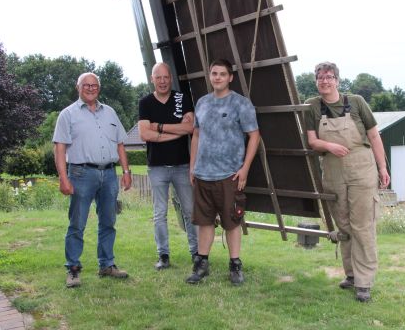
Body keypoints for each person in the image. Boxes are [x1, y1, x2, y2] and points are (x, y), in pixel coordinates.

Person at [305, 62, 390, 303]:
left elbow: (374, 135)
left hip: (361, 167)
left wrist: (382, 167)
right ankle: (351, 274)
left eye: (329, 77)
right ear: (316, 81)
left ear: (337, 81)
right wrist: (329, 145)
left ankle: (364, 283)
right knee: (344, 225)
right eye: (320, 77)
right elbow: (312, 141)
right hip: (332, 169)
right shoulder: (312, 106)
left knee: (362, 225)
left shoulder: (356, 102)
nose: (325, 81)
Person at [53, 72, 132, 288]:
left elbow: (120, 144)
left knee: (109, 221)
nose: (90, 88)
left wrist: (126, 172)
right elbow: (59, 148)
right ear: (78, 87)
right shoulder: (67, 115)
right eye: (86, 85)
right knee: (77, 222)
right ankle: (73, 269)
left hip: (108, 174)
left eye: (94, 85)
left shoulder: (110, 113)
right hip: (81, 174)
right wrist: (63, 178)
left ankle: (107, 265)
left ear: (99, 88)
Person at [186, 58, 260, 286]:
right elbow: (196, 135)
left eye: (222, 74)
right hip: (203, 173)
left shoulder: (241, 103)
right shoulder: (202, 103)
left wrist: (244, 169)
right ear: (210, 76)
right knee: (204, 222)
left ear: (230, 77)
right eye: (213, 73)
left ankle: (235, 265)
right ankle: (201, 265)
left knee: (232, 222)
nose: (217, 77)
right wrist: (192, 166)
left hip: (229, 174)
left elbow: (254, 136)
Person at [138, 62, 198, 269]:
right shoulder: (145, 103)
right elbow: (144, 134)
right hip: (157, 167)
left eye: (166, 77)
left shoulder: (182, 98)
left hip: (182, 166)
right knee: (159, 213)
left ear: (170, 78)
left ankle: (197, 253)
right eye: (158, 77)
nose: (162, 81)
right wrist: (175, 132)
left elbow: (190, 128)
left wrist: (160, 128)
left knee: (190, 211)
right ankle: (163, 255)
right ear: (152, 79)